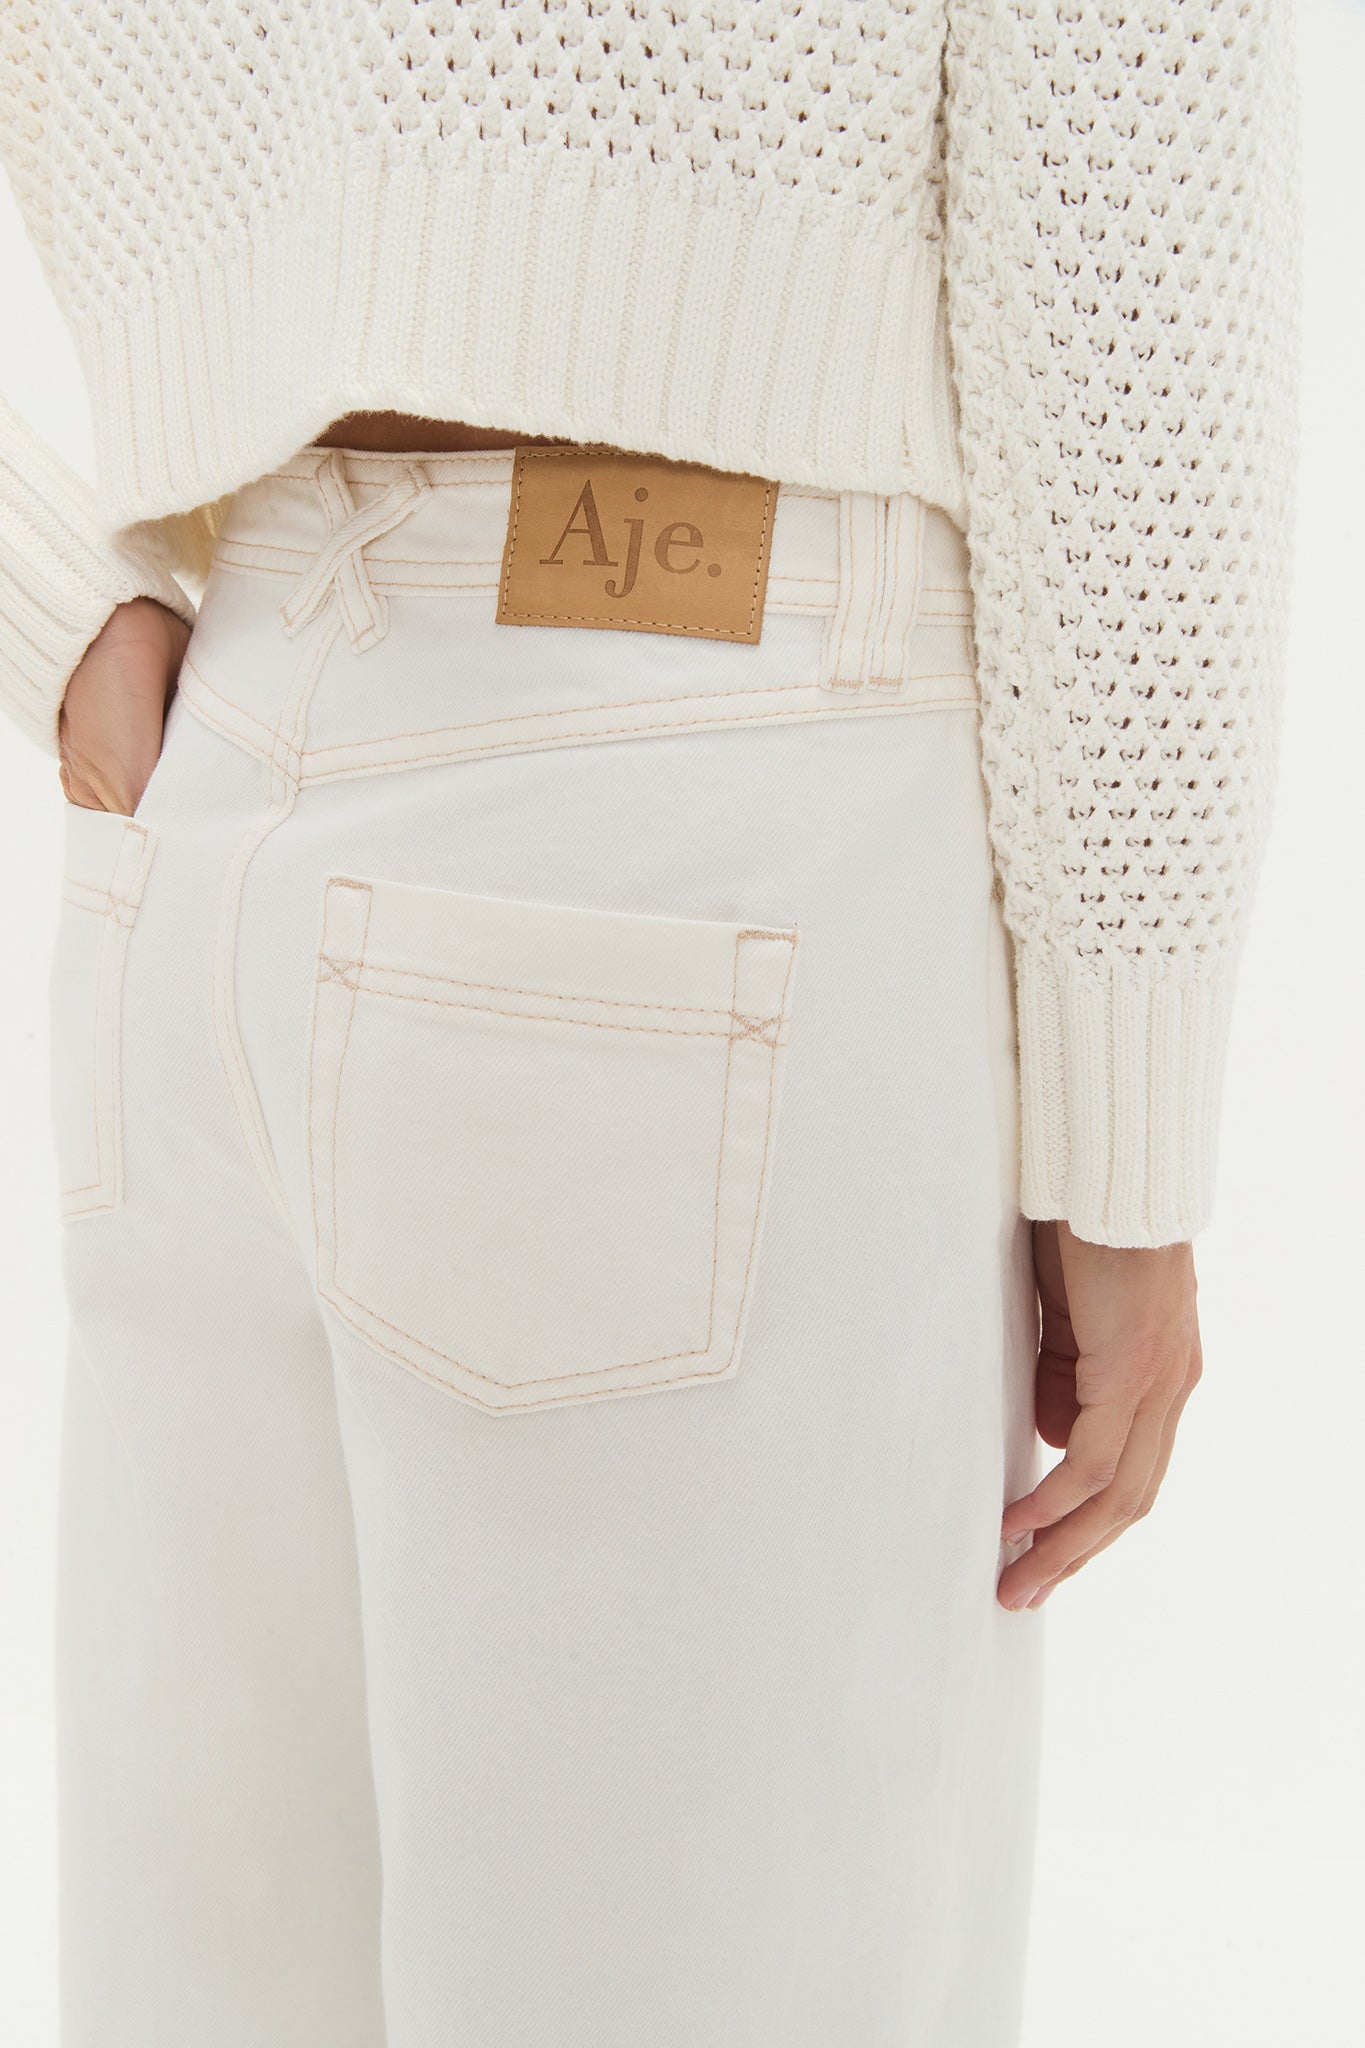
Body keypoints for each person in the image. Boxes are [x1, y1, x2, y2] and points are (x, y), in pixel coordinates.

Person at [0, 5, 1300, 2045]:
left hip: (214, 804)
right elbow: (1129, 290)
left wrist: (65, 604)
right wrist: (1123, 1143)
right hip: (694, 807)